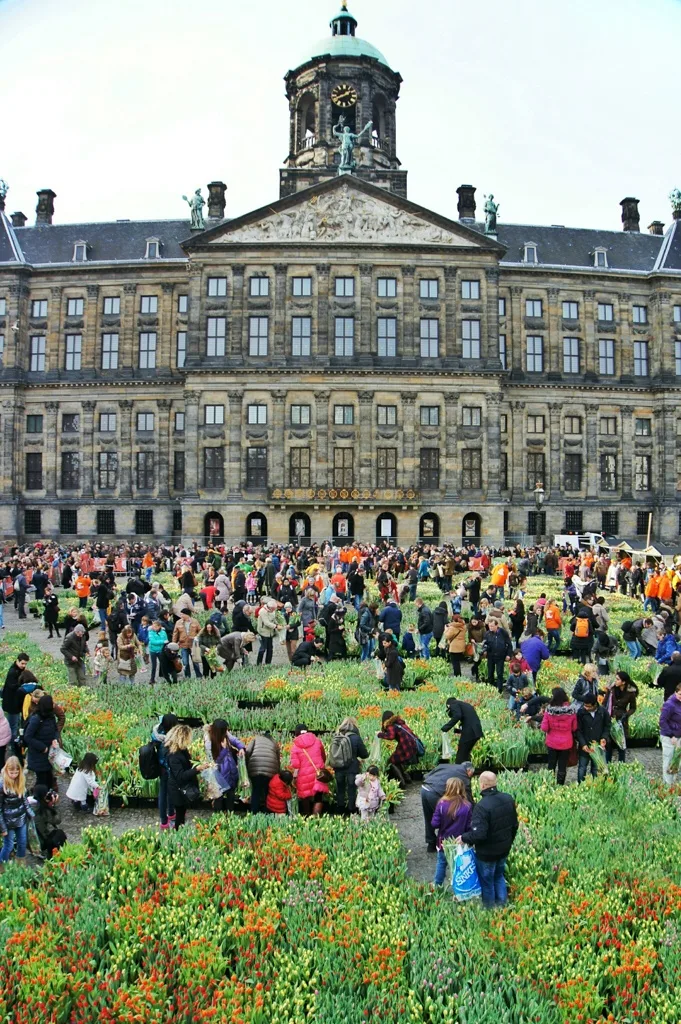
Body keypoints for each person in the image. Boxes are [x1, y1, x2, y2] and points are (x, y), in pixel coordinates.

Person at [459, 771, 518, 910]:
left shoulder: (482, 806)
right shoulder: (508, 799)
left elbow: (479, 835)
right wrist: (509, 842)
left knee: (487, 882)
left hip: (487, 854)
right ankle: (503, 907)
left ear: (483, 785)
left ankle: (490, 912)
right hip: (503, 850)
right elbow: (515, 825)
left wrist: (464, 837)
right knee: (499, 877)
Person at [421, 761, 475, 852]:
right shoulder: (464, 775)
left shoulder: (446, 766)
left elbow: (426, 775)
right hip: (435, 793)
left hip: (425, 788)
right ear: (469, 771)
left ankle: (431, 843)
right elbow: (467, 797)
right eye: (471, 774)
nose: (470, 777)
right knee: (446, 817)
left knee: (429, 817)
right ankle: (446, 843)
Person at [165, 724, 210, 829]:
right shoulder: (173, 755)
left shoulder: (182, 750)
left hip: (181, 787)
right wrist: (197, 769)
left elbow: (187, 765)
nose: (190, 740)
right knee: (180, 813)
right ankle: (178, 834)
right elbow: (180, 776)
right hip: (177, 789)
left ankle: (179, 831)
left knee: (182, 813)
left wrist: (198, 765)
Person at [431, 777, 473, 886]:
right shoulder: (467, 805)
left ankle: (437, 885)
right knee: (457, 865)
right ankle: (458, 888)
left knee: (441, 863)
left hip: (444, 841)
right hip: (460, 841)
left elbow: (434, 824)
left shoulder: (441, 803)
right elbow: (469, 826)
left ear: (448, 788)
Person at [203, 719, 245, 812]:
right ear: (219, 731)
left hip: (230, 768)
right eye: (225, 730)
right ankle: (219, 817)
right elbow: (214, 761)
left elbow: (234, 740)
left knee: (231, 793)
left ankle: (230, 815)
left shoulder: (225, 734)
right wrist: (225, 749)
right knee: (219, 796)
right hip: (219, 772)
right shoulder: (209, 741)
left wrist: (241, 747)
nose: (227, 731)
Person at [332, 716, 369, 816]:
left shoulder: (337, 736)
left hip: (338, 767)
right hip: (352, 768)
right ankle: (351, 810)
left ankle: (340, 810)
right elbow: (364, 754)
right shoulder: (355, 737)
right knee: (351, 789)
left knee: (340, 788)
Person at [0, 757, 33, 865]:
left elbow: (24, 799)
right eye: (11, 773)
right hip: (7, 821)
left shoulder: (21, 780)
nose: (14, 775)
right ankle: (2, 865)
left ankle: (20, 865)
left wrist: (30, 813)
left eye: (16, 772)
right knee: (8, 845)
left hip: (20, 818)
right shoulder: (2, 785)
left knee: (22, 843)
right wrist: (3, 828)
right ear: (6, 771)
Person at [540, 687, 577, 785]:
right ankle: (560, 785)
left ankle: (550, 784)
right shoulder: (571, 710)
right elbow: (574, 727)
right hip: (566, 742)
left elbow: (544, 728)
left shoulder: (549, 710)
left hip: (552, 742)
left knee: (551, 765)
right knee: (562, 765)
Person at [290, 725, 329, 816]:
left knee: (305, 797)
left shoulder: (295, 747)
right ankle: (316, 819)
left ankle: (306, 817)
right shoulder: (317, 741)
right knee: (318, 797)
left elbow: (295, 765)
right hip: (318, 773)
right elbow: (323, 756)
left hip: (304, 775)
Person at [23, 694, 60, 789]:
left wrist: (55, 739)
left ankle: (47, 797)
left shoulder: (51, 716)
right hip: (38, 754)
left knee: (48, 777)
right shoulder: (36, 719)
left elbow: (55, 730)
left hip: (49, 753)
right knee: (42, 779)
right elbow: (28, 736)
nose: (54, 704)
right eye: (52, 703)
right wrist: (42, 747)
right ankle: (40, 799)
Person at [376, 710, 420, 788]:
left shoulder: (390, 724)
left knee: (391, 761)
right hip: (411, 745)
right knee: (397, 761)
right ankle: (407, 778)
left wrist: (379, 734)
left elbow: (391, 736)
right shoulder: (399, 722)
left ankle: (402, 783)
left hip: (405, 747)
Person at [603, 671, 638, 764]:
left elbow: (633, 708)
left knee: (621, 745)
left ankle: (621, 766)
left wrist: (626, 714)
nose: (616, 681)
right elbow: (604, 703)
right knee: (609, 745)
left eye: (618, 679)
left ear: (624, 682)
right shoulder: (611, 690)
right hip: (610, 717)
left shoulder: (630, 693)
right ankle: (608, 765)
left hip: (622, 720)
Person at [151, 713, 178, 829]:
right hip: (168, 768)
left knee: (165, 791)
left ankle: (169, 815)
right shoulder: (168, 740)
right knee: (166, 792)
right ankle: (164, 820)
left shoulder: (157, 732)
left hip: (161, 766)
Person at [576, 695, 610, 783]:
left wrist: (604, 738)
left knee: (595, 768)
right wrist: (583, 744)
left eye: (588, 706)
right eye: (585, 705)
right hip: (585, 745)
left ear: (595, 705)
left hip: (597, 745)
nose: (586, 708)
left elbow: (607, 727)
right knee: (582, 768)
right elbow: (578, 730)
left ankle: (594, 785)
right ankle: (581, 786)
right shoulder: (581, 713)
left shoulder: (603, 712)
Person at [2, 652, 30, 755]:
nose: (24, 666)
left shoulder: (18, 670)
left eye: (25, 664)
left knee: (15, 723)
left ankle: (13, 743)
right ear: (17, 661)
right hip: (11, 704)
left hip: (14, 703)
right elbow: (13, 687)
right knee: (12, 725)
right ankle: (12, 745)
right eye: (22, 663)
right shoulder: (13, 672)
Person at [245, 731, 281, 813]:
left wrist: (247, 765)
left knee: (256, 790)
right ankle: (265, 812)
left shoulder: (255, 740)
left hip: (254, 768)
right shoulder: (274, 743)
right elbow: (278, 759)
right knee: (267, 792)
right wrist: (277, 773)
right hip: (270, 770)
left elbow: (248, 752)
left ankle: (254, 812)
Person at [441, 697, 483, 764]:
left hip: (470, 732)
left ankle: (459, 771)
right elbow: (469, 720)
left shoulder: (453, 704)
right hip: (476, 732)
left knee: (461, 755)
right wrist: (458, 731)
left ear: (448, 705)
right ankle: (467, 771)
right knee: (465, 754)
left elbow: (457, 715)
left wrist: (445, 728)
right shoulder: (465, 705)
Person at [32, 785, 66, 859]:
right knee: (60, 834)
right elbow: (57, 820)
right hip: (42, 841)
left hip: (31, 840)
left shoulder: (31, 805)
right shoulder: (43, 811)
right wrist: (53, 805)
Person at [482, 618, 513, 692]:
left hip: (500, 656)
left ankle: (499, 689)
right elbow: (484, 644)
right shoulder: (487, 634)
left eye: (492, 626)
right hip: (491, 655)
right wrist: (484, 650)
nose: (490, 628)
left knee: (499, 673)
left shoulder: (503, 633)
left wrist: (509, 654)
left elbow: (509, 644)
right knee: (490, 673)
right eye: (489, 626)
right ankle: (490, 688)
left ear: (497, 625)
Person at [659, 683, 681, 786]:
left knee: (676, 761)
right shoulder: (669, 704)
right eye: (680, 694)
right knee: (668, 760)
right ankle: (667, 785)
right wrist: (671, 735)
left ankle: (672, 784)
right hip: (669, 737)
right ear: (676, 692)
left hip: (679, 736)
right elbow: (662, 721)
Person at [172, 609, 202, 678]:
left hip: (193, 645)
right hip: (183, 645)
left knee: (196, 662)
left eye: (182, 614)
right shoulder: (178, 622)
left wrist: (197, 637)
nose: (181, 615)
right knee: (185, 663)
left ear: (187, 614)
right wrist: (174, 644)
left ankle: (199, 676)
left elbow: (200, 631)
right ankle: (187, 676)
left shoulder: (195, 621)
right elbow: (175, 634)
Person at [256, 600, 280, 666]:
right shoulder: (262, 611)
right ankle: (259, 663)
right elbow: (266, 623)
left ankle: (268, 663)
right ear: (270, 607)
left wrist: (278, 623)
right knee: (263, 648)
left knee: (270, 649)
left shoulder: (272, 610)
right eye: (273, 609)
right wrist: (276, 626)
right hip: (263, 632)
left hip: (270, 632)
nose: (274, 610)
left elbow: (274, 618)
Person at [148, 619, 167, 685]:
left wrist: (162, 642)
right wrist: (162, 641)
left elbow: (166, 640)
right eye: (153, 626)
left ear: (159, 626)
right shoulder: (150, 632)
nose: (154, 628)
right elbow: (153, 642)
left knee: (163, 664)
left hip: (161, 650)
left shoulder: (163, 632)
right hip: (153, 650)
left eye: (155, 627)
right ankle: (152, 679)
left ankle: (166, 677)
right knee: (154, 665)